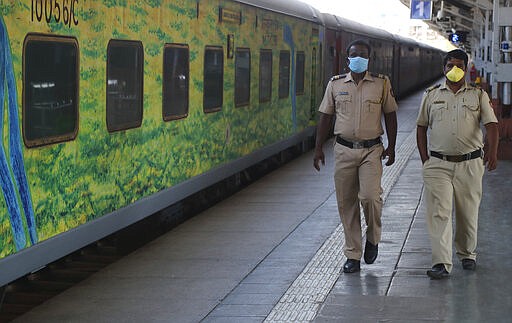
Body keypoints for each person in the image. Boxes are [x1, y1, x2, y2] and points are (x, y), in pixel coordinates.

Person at [313, 39, 398, 273]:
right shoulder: (335, 84)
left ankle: (373, 238)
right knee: (347, 202)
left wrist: (392, 146)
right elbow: (325, 117)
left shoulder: (381, 84)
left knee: (370, 197)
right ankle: (353, 255)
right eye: (354, 54)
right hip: (343, 149)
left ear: (369, 59)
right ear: (347, 58)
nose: (358, 57)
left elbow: (390, 115)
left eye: (363, 54)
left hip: (372, 150)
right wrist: (318, 147)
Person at [416, 48, 499, 279]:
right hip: (438, 164)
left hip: (470, 163)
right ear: (443, 68)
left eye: (460, 66)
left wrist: (492, 152)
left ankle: (467, 253)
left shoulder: (478, 95)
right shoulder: (431, 95)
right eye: (450, 65)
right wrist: (425, 159)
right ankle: (441, 262)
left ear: (465, 68)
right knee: (439, 212)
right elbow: (421, 126)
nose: (455, 70)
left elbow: (491, 124)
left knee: (467, 212)